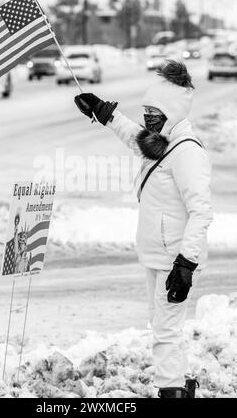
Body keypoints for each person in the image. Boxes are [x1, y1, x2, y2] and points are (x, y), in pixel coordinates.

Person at [74, 60, 213, 398]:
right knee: (163, 326)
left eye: (155, 111)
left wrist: (186, 264)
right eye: (146, 110)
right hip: (156, 253)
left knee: (165, 331)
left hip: (174, 259)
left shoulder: (186, 152)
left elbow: (201, 211)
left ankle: (172, 392)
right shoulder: (162, 140)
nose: (148, 116)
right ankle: (179, 386)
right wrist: (104, 113)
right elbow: (134, 139)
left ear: (172, 110)